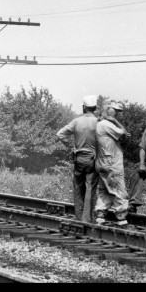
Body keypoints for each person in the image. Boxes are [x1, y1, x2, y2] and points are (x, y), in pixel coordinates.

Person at [56, 94, 100, 222]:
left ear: (83, 108)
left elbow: (60, 134)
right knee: (91, 189)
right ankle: (89, 219)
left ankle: (79, 217)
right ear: (95, 108)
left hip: (79, 158)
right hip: (93, 159)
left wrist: (71, 145)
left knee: (78, 188)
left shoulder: (77, 121)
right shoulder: (99, 122)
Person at [94, 99, 130, 226]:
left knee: (104, 190)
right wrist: (114, 121)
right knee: (119, 190)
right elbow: (123, 132)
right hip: (112, 162)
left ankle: (100, 215)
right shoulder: (107, 124)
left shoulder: (99, 124)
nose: (117, 114)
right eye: (115, 110)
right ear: (108, 109)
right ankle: (121, 217)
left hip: (101, 161)